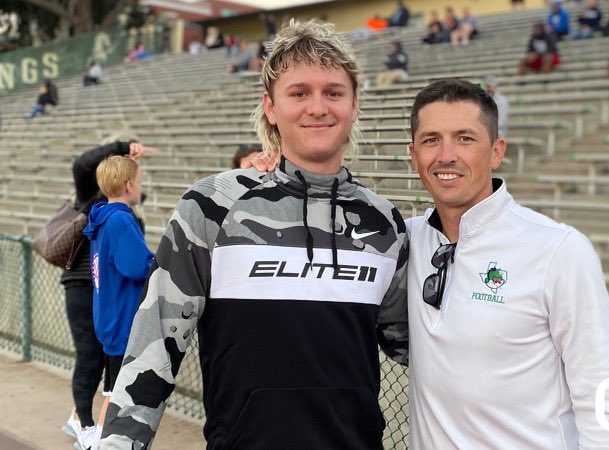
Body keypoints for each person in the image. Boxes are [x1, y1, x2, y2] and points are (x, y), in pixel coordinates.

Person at [99, 20, 409, 449]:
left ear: (354, 104)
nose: (317, 107)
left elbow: (418, 347)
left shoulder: (385, 222)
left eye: (333, 92)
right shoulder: (210, 205)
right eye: (299, 93)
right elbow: (156, 339)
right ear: (271, 106)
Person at [405, 78, 609, 449]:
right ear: (414, 155)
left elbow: (602, 398)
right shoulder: (407, 240)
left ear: (496, 152)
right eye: (431, 140)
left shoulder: (559, 250)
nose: (446, 155)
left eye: (465, 138)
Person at [59, 135, 156, 449]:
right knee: (114, 387)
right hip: (120, 316)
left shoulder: (101, 219)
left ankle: (97, 434)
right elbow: (135, 265)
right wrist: (158, 260)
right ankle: (97, 436)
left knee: (111, 385)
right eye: (138, 181)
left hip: (107, 312)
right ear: (128, 185)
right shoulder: (117, 218)